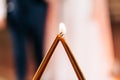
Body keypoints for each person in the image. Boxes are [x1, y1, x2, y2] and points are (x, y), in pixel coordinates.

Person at [7, 0, 48, 80]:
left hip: (36, 7)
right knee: (19, 52)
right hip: (16, 7)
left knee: (39, 49)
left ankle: (40, 77)